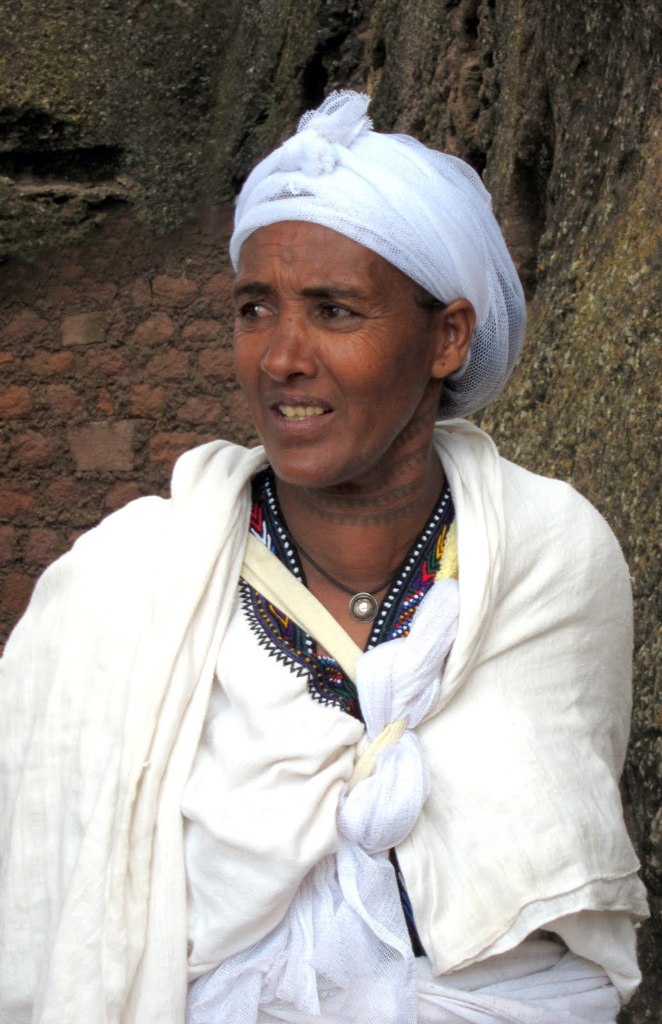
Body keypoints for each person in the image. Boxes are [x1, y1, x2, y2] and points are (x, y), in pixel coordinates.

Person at [0, 91, 648, 1024]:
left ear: (447, 336)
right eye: (255, 308)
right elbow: (46, 919)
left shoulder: (549, 560)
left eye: (335, 310)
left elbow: (563, 911)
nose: (280, 358)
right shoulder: (129, 580)